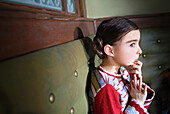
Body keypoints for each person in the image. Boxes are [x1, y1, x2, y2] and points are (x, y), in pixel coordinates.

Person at [88, 17, 155, 114]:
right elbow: (136, 104)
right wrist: (137, 101)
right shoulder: (106, 89)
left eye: (138, 44)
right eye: (132, 44)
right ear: (110, 50)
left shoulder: (122, 71)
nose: (139, 51)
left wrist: (136, 82)